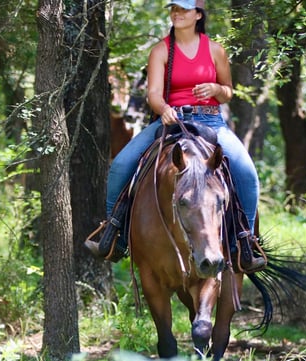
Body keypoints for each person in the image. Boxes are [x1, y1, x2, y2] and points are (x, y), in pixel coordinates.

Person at [86, 0, 266, 272]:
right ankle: (113, 235)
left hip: (211, 121)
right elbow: (153, 94)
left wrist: (216, 89)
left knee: (247, 173)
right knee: (121, 164)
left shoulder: (215, 50)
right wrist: (163, 109)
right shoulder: (161, 51)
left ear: (198, 15)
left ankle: (246, 243)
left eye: (183, 9)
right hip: (172, 121)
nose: (177, 14)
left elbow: (228, 91)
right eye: (174, 9)